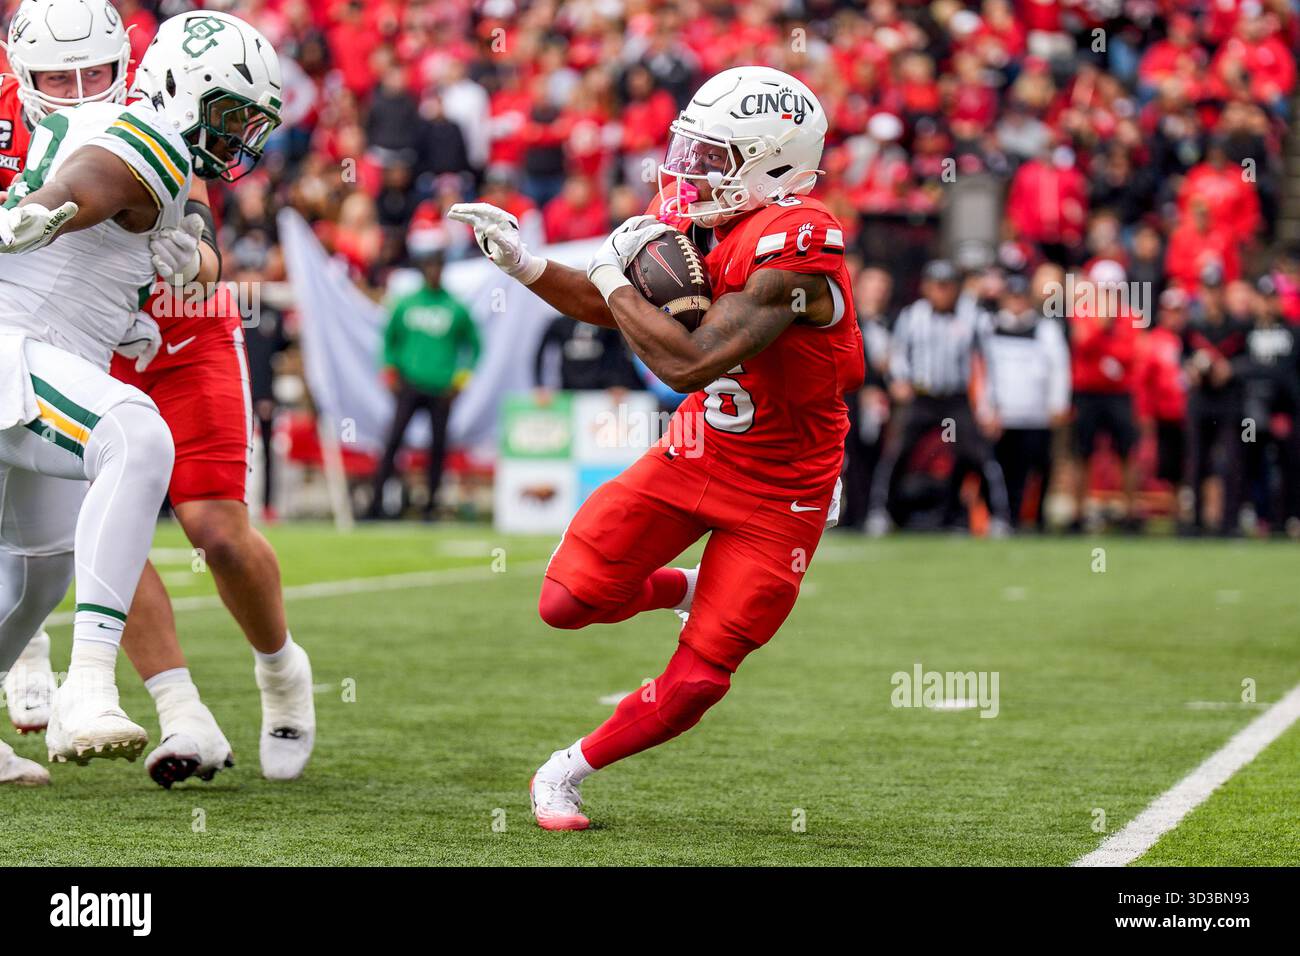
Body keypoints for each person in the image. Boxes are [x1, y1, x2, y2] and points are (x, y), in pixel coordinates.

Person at [450, 66, 864, 829]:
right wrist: (524, 262)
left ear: (775, 162)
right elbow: (620, 310)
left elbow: (686, 359)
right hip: (702, 447)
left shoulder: (800, 244)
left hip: (787, 484)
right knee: (566, 602)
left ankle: (564, 772)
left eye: (714, 157)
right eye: (693, 150)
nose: (690, 171)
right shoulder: (707, 214)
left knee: (703, 677)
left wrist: (613, 277)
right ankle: (683, 587)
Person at [1, 6, 313, 789]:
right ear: (179, 88)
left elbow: (166, 222)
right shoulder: (141, 134)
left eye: (250, 120)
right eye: (229, 114)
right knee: (135, 439)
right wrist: (34, 216)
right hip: (16, 347)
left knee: (40, 574)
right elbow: (82, 185)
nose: (239, 135)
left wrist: (159, 289)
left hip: (55, 349)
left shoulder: (162, 144)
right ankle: (92, 684)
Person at [865, 259, 1011, 536]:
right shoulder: (912, 316)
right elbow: (898, 353)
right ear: (927, 288)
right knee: (898, 452)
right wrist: (900, 380)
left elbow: (989, 362)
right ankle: (881, 511)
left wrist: (991, 407)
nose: (942, 292)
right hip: (922, 397)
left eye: (947, 286)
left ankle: (998, 517)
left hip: (955, 398)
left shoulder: (973, 317)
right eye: (937, 286)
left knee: (979, 455)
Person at [366, 249, 480, 520]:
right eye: (430, 266)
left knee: (438, 447)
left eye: (439, 266)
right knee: (393, 442)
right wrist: (389, 371)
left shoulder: (455, 306)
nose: (434, 271)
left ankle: (430, 506)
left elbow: (474, 346)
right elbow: (388, 340)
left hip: (441, 388)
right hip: (409, 383)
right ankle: (376, 503)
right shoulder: (407, 303)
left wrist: (460, 380)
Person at [986, 273, 1071, 530]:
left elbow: (1059, 368)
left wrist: (1058, 403)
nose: (1016, 302)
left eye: (1020, 297)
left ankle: (1035, 518)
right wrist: (987, 408)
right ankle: (1005, 517)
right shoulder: (989, 327)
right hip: (1004, 414)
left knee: (1039, 467)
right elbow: (984, 371)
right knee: (1005, 470)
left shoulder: (1045, 328)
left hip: (1036, 413)